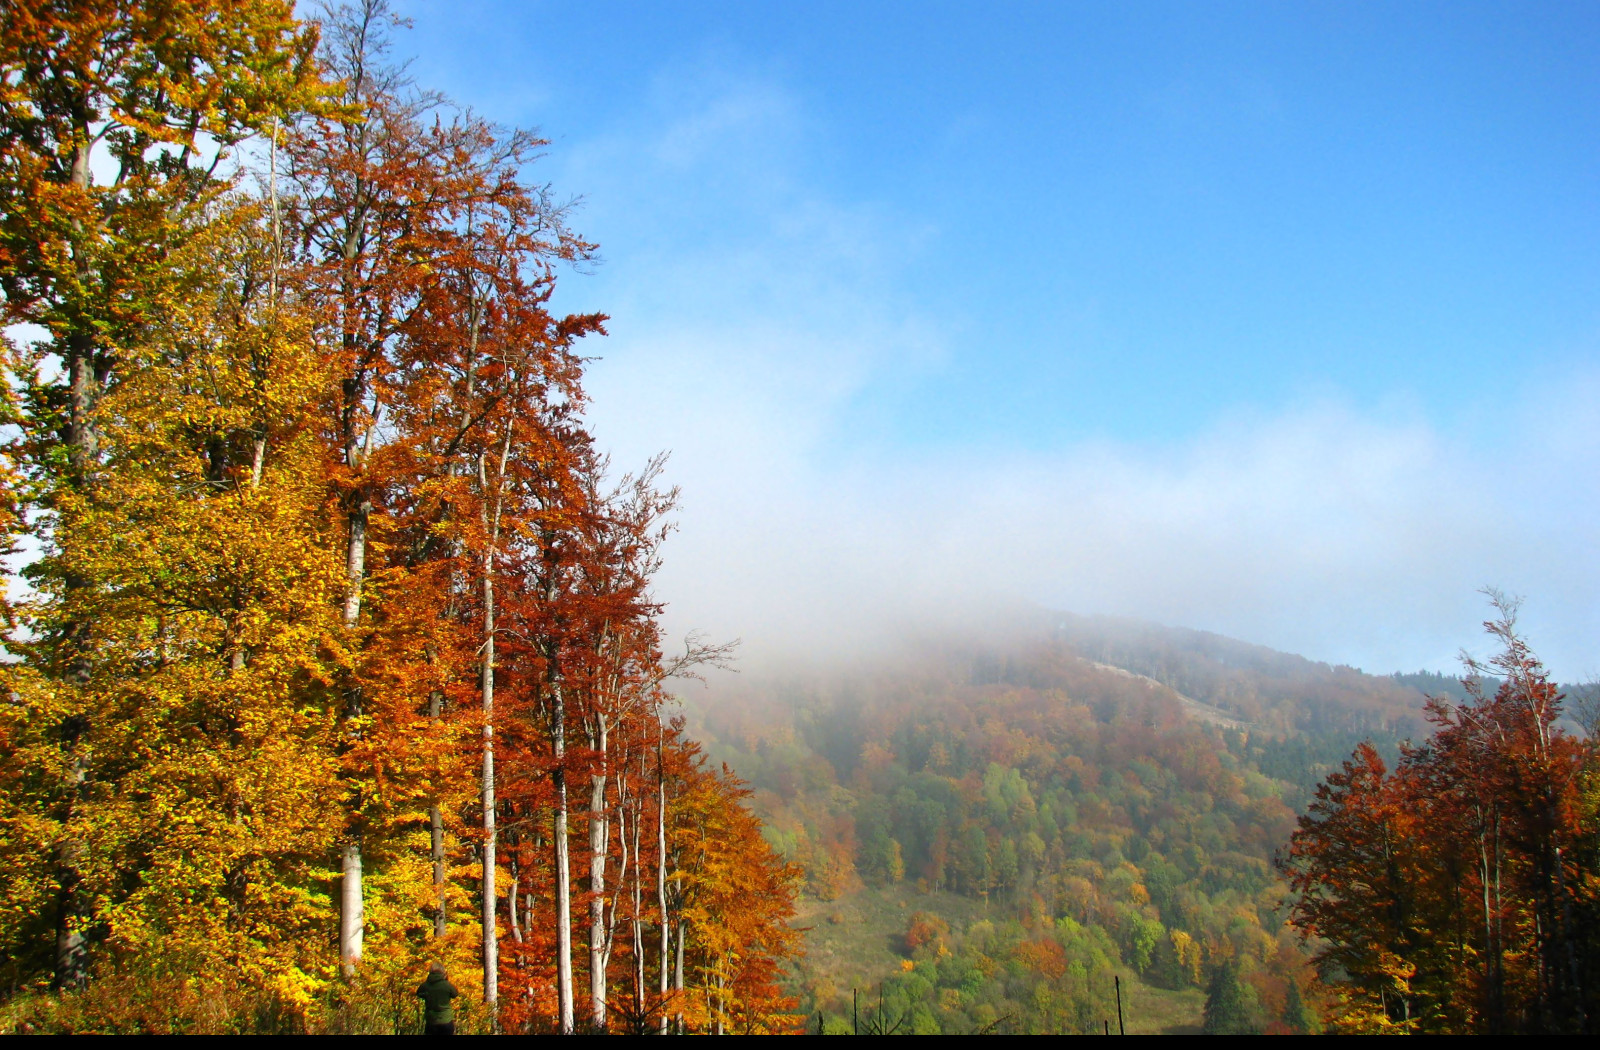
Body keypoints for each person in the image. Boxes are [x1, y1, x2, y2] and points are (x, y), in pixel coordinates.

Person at [417, 961, 460, 1035]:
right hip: (446, 1020)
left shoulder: (425, 985)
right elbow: (455, 994)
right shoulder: (446, 985)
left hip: (431, 1021)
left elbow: (419, 993)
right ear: (443, 972)